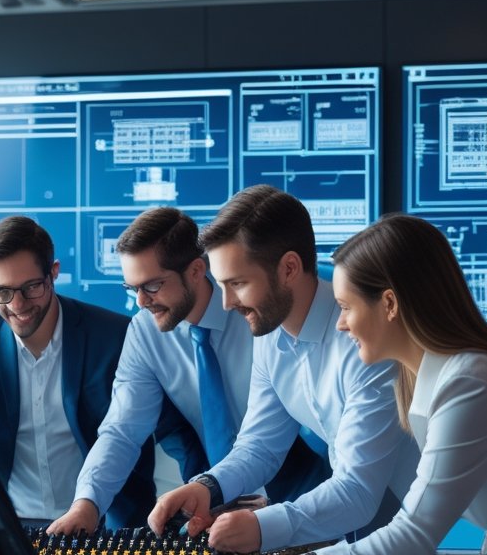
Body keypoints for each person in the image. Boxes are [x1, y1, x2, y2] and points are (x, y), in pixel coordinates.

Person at [228, 214, 487, 555]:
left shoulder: (469, 382)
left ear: (390, 304)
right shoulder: (431, 374)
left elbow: (414, 535)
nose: (341, 324)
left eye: (346, 307)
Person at [147, 185, 422, 553]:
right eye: (221, 285)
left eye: (238, 284)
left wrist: (261, 526)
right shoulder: (269, 334)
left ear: (289, 268)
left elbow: (357, 490)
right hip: (369, 538)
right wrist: (207, 487)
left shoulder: (365, 339)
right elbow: (260, 445)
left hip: (433, 529)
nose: (227, 304)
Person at [47, 207, 330, 535]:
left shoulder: (258, 310)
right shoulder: (145, 333)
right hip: (217, 500)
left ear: (196, 270)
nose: (141, 301)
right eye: (131, 288)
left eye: (152, 285)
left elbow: (290, 433)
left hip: (304, 493)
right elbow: (122, 431)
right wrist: (87, 503)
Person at [0, 215, 165, 526]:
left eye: (30, 288)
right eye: (2, 292)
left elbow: (167, 424)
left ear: (53, 273)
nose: (17, 305)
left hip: (109, 525)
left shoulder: (115, 337)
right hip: (13, 525)